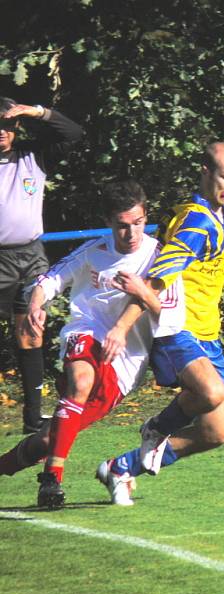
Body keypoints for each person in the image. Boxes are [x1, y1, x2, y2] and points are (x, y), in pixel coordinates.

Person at [98, 142, 224, 499]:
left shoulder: (215, 212)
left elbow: (222, 245)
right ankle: (156, 428)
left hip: (208, 331)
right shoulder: (194, 221)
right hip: (177, 326)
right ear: (205, 172)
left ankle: (123, 467)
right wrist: (123, 325)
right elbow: (155, 282)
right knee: (211, 391)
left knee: (213, 434)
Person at [0, 180, 184, 508]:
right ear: (109, 222)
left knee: (50, 438)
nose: (131, 234)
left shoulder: (160, 257)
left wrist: (142, 292)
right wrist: (35, 305)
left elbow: (171, 316)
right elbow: (49, 279)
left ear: (146, 217)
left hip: (128, 361)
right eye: (122, 226)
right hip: (87, 332)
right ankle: (51, 481)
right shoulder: (94, 251)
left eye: (138, 224)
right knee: (80, 383)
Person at [0, 97, 85, 434]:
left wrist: (38, 112)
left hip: (30, 256)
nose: (2, 132)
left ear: (17, 127)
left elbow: (73, 133)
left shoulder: (33, 156)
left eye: (7, 125)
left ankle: (33, 418)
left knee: (31, 333)